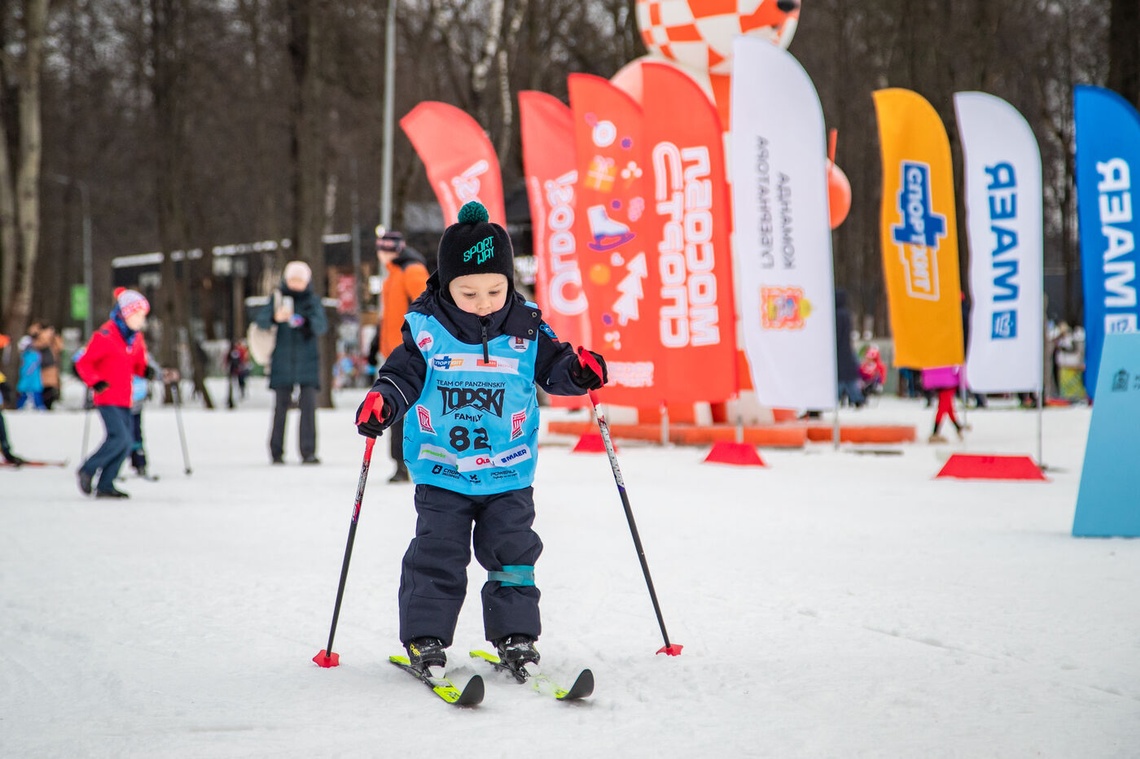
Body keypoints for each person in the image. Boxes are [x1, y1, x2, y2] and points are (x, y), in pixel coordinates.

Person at [355, 201, 608, 676]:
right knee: (438, 554)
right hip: (441, 467)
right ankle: (425, 638)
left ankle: (516, 636)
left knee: (513, 552)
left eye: (495, 289)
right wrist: (383, 402)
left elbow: (556, 370)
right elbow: (400, 376)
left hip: (509, 470)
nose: (484, 301)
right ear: (447, 287)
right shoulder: (426, 329)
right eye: (468, 292)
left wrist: (578, 371)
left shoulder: (527, 327)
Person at [75, 289, 154, 498]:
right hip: (107, 396)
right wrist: (95, 381)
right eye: (137, 315)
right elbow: (84, 362)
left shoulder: (135, 339)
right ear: (125, 314)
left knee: (127, 441)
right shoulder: (106, 335)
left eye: (143, 316)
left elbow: (137, 365)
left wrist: (146, 371)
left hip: (125, 397)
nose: (140, 320)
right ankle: (87, 469)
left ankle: (106, 484)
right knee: (119, 438)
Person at [367, 229, 429, 483]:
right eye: (380, 249)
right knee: (397, 407)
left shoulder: (412, 271)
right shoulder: (392, 275)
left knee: (407, 408)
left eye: (388, 249)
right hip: (394, 351)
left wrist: (416, 344)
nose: (383, 254)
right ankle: (401, 464)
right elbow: (389, 318)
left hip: (411, 352)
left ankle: (409, 464)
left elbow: (425, 308)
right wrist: (375, 346)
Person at [254, 260, 328, 464]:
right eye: (292, 279)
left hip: (307, 363)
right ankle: (276, 451)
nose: (296, 283)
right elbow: (260, 321)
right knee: (280, 408)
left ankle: (308, 451)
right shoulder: (277, 298)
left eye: (300, 279)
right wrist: (275, 317)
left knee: (308, 408)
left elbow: (321, 325)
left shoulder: (312, 301)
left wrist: (304, 322)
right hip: (282, 363)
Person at [834, 290, 864, 408]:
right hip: (846, 350)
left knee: (841, 379)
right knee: (849, 380)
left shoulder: (836, 314)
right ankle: (857, 398)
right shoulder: (846, 314)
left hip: (840, 351)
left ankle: (836, 398)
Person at [922, 365, 966, 443]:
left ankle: (957, 427)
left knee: (947, 407)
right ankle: (935, 432)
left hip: (942, 381)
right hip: (948, 382)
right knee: (943, 408)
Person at [15, 334, 45, 410]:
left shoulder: (33, 355)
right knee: (25, 394)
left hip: (32, 379)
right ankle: (20, 406)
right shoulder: (26, 355)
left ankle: (39, 406)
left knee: (35, 393)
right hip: (27, 378)